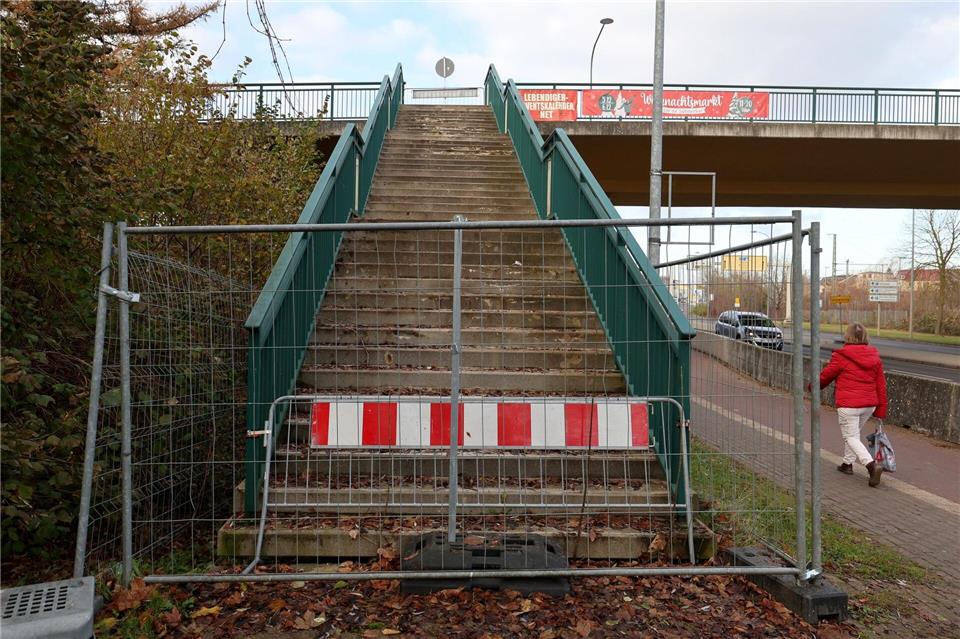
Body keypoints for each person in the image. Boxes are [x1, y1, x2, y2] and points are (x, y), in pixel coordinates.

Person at [817, 322, 888, 487]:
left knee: (850, 436)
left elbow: (826, 376)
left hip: (849, 404)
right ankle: (847, 464)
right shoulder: (874, 357)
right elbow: (881, 385)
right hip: (868, 405)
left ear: (847, 336)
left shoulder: (841, 356)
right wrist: (881, 408)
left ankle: (871, 466)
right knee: (854, 435)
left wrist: (814, 386)